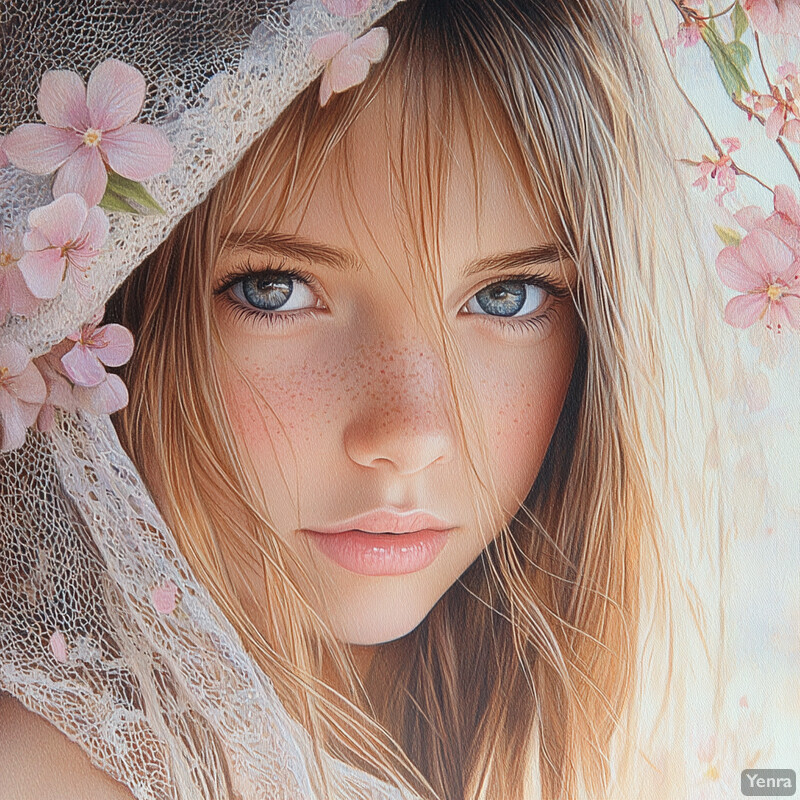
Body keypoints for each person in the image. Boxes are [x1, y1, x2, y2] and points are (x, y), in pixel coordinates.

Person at [0, 1, 727, 798]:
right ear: (116, 302)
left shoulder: (624, 755)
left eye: (508, 297)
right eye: (274, 290)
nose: (410, 434)